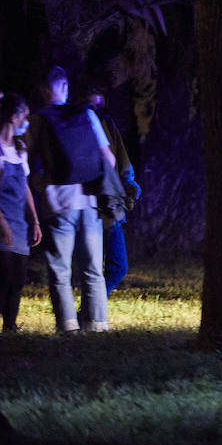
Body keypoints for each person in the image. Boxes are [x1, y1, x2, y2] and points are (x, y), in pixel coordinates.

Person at [27, 67, 117, 332]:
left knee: (60, 269)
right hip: (88, 201)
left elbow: (27, 164)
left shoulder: (37, 120)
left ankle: (67, 326)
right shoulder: (87, 114)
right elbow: (109, 159)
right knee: (92, 269)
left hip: (58, 203)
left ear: (44, 90)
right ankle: (98, 324)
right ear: (65, 87)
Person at [86, 83, 141, 295]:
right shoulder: (83, 124)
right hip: (94, 204)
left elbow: (122, 162)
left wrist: (129, 185)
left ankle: (89, 312)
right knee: (97, 267)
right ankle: (89, 314)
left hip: (109, 205)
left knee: (116, 266)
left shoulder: (107, 124)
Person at [0, 93, 42, 332]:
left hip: (20, 223)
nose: (26, 121)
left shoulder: (20, 149)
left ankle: (10, 325)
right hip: (3, 222)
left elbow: (25, 186)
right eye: (24, 116)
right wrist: (2, 223)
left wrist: (35, 220)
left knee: (17, 279)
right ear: (14, 117)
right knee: (4, 276)